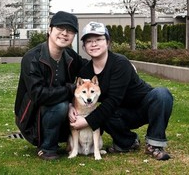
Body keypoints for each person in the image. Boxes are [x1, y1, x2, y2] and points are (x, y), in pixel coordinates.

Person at [69, 21, 173, 160]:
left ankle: (154, 144)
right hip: (119, 113)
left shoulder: (120, 63)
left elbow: (114, 99)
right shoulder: (86, 71)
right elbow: (80, 93)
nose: (94, 44)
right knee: (103, 114)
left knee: (162, 94)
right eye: (89, 41)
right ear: (84, 46)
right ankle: (128, 142)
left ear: (107, 42)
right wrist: (70, 106)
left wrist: (87, 121)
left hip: (143, 106)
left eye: (99, 39)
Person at [14, 11, 87, 160]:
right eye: (60, 28)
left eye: (70, 30)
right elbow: (38, 95)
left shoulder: (70, 55)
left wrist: (118, 64)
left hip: (58, 109)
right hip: (32, 116)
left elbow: (90, 68)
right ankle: (47, 147)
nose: (65, 33)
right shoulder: (32, 58)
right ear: (49, 30)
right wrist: (71, 91)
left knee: (89, 97)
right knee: (60, 106)